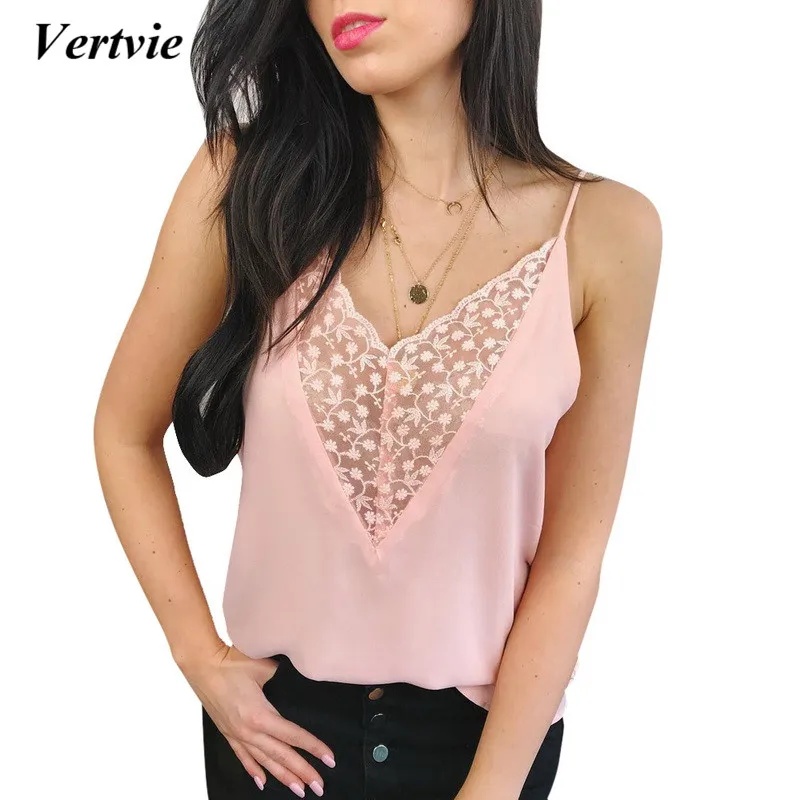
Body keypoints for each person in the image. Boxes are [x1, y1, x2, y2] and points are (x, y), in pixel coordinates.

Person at [94, 1, 661, 798]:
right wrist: (199, 656)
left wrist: (492, 789)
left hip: (488, 742)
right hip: (274, 741)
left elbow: (573, 555)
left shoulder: (605, 231)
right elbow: (123, 430)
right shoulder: (246, 180)